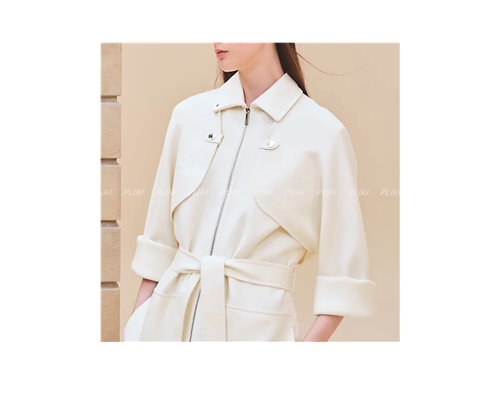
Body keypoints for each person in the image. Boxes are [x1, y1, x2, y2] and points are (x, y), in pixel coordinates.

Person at [123, 42, 376, 342]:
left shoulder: (323, 134)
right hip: (165, 327)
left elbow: (344, 275)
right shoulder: (187, 117)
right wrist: (135, 330)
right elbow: (158, 249)